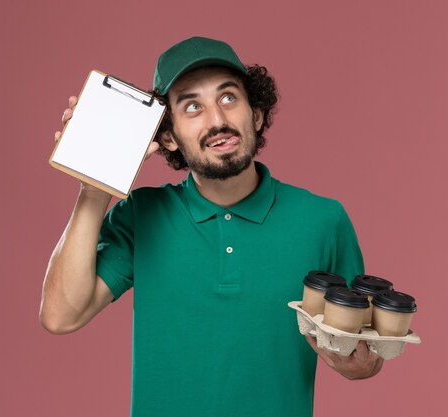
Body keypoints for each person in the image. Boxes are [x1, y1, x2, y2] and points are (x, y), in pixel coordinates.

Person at [41, 36, 383, 417]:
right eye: (192, 106)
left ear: (255, 113)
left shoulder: (323, 220)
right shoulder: (142, 214)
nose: (217, 120)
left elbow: (365, 344)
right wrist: (94, 186)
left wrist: (364, 365)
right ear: (168, 137)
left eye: (228, 98)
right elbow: (60, 315)